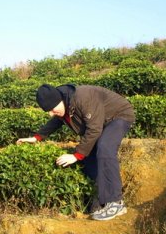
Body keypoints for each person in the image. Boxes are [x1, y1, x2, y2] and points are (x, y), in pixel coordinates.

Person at [17, 83, 135, 221]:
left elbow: (94, 130)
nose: (51, 113)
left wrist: (76, 155)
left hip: (118, 116)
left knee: (105, 148)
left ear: (59, 100)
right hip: (100, 122)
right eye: (48, 111)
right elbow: (56, 121)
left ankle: (116, 202)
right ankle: (101, 200)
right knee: (89, 159)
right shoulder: (63, 104)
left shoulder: (83, 98)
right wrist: (37, 137)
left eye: (52, 109)